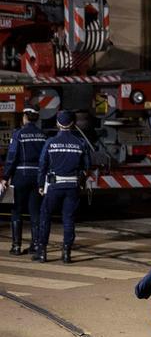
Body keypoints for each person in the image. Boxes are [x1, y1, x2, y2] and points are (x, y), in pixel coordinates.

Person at [33, 109, 92, 264]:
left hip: (54, 186)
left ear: (58, 123)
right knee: (69, 219)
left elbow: (42, 165)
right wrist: (81, 181)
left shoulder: (50, 142)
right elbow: (87, 166)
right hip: (72, 186)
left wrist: (40, 184)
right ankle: (66, 254)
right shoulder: (80, 143)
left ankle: (42, 253)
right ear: (73, 123)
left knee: (45, 217)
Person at [2, 106, 45, 255]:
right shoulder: (42, 135)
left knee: (16, 210)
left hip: (21, 176)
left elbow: (12, 156)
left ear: (25, 117)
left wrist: (5, 177)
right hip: (37, 177)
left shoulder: (18, 134)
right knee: (35, 211)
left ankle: (16, 246)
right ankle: (36, 245)